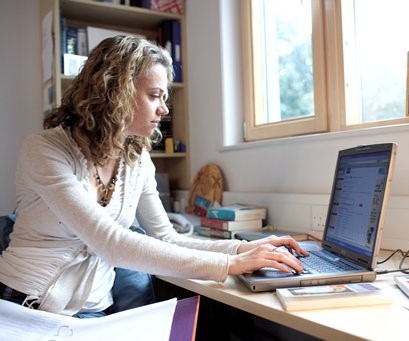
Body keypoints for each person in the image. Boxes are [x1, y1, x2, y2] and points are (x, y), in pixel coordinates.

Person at [0, 35, 307, 317]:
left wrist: (243, 248)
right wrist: (230, 265)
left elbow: (167, 238)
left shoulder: (138, 162)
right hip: (26, 304)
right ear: (115, 91)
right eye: (154, 95)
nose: (163, 110)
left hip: (92, 315)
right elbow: (111, 243)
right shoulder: (44, 149)